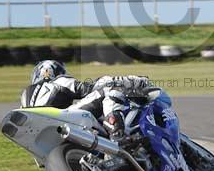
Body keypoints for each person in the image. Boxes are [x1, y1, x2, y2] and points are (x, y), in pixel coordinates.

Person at [19, 59, 157, 140]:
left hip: (41, 136)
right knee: (109, 86)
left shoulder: (25, 94)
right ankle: (117, 131)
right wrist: (131, 81)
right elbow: (89, 89)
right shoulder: (58, 81)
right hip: (60, 120)